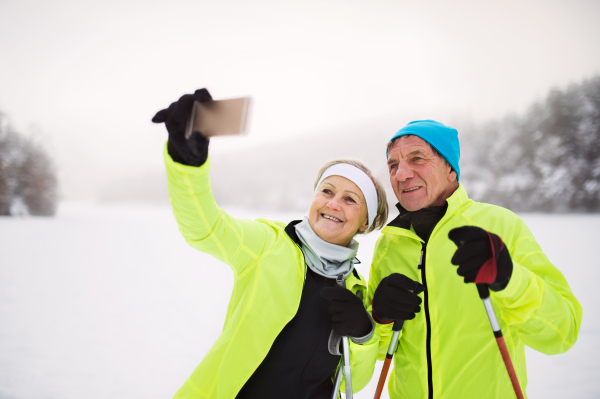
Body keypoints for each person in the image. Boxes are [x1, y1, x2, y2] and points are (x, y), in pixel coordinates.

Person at [151, 89, 388, 399]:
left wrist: (363, 334)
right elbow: (205, 228)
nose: (333, 204)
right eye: (327, 191)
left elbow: (350, 383)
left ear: (366, 222)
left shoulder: (356, 290)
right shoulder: (269, 244)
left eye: (349, 199)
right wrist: (188, 165)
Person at [364, 120, 582, 398]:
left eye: (417, 158)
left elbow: (562, 332)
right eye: (393, 165)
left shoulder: (500, 225)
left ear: (450, 170)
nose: (401, 174)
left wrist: (510, 280)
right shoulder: (390, 244)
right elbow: (381, 351)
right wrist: (379, 318)